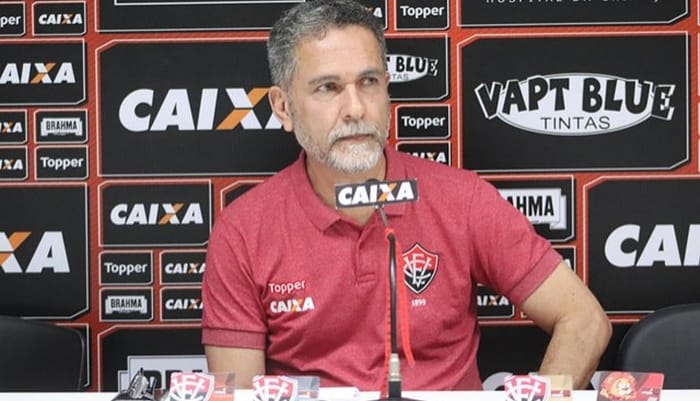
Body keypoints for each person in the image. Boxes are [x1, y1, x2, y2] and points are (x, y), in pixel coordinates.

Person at [201, 0, 611, 391]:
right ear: (283, 107)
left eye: (368, 82)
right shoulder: (243, 231)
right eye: (328, 87)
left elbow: (583, 319)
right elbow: (238, 391)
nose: (355, 109)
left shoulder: (461, 199)